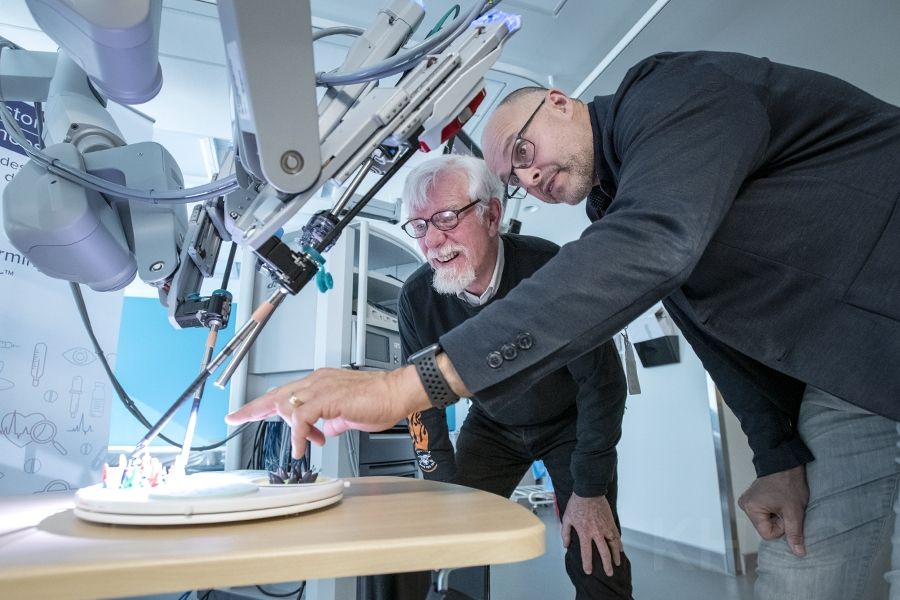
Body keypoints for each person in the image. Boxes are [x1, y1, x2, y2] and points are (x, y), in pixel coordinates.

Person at [227, 51, 900, 600]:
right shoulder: (605, 217)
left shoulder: (668, 92)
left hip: (572, 419)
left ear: (558, 100)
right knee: (805, 577)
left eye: (522, 149)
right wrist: (777, 452)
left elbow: (646, 274)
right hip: (841, 375)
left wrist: (409, 386)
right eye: (419, 227)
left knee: (594, 540)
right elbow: (714, 330)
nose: (530, 174)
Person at [397, 154, 632, 598]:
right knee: (443, 541)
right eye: (420, 225)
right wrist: (442, 491)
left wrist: (590, 488)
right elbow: (420, 402)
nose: (433, 240)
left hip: (570, 422)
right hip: (492, 426)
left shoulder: (550, 269)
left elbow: (603, 383)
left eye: (447, 217)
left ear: (491, 215)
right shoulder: (417, 299)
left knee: (596, 551)